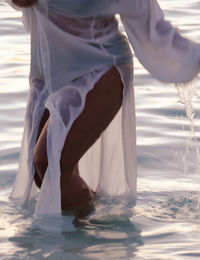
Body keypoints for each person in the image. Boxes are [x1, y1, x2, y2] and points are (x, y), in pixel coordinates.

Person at [7, 0, 200, 216]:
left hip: (99, 68)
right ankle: (87, 233)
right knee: (44, 172)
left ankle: (82, 240)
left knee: (49, 162)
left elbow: (153, 27)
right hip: (52, 71)